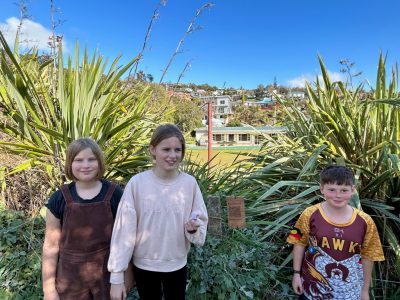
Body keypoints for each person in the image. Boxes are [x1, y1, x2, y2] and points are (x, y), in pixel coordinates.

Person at [108, 124, 208, 300]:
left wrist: (192, 229)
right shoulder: (137, 183)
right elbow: (124, 230)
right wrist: (116, 276)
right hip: (144, 267)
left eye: (178, 150)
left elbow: (199, 231)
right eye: (166, 149)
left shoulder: (189, 184)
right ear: (153, 149)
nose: (172, 155)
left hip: (177, 265)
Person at [42, 138, 133, 300]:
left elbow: (126, 239)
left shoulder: (114, 194)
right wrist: (48, 289)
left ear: (99, 162)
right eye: (78, 160)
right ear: (70, 163)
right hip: (70, 278)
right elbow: (50, 245)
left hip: (107, 275)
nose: (85, 165)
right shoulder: (59, 198)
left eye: (91, 159)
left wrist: (127, 277)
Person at [287, 165, 385, 300]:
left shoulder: (366, 221)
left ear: (353, 190)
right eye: (331, 190)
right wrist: (296, 274)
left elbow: (369, 256)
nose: (338, 195)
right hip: (312, 290)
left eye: (344, 190)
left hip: (350, 292)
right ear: (322, 189)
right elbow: (298, 242)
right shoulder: (308, 214)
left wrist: (365, 290)